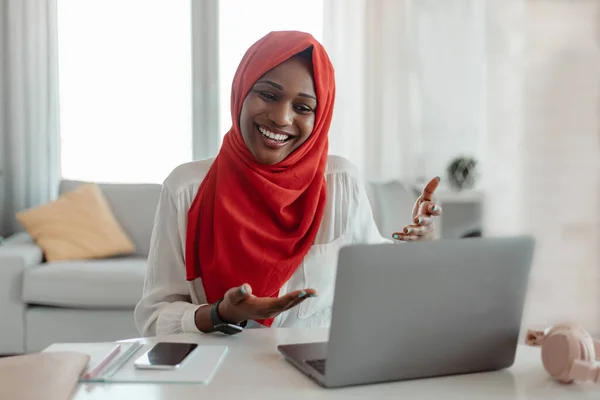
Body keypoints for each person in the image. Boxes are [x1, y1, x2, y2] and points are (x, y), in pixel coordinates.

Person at [134, 31, 442, 336]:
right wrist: (219, 314)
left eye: (303, 107)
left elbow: (378, 283)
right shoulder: (187, 188)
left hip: (319, 368)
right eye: (268, 95)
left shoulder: (339, 182)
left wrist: (420, 245)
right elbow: (153, 319)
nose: (281, 118)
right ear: (242, 90)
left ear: (319, 117)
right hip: (223, 371)